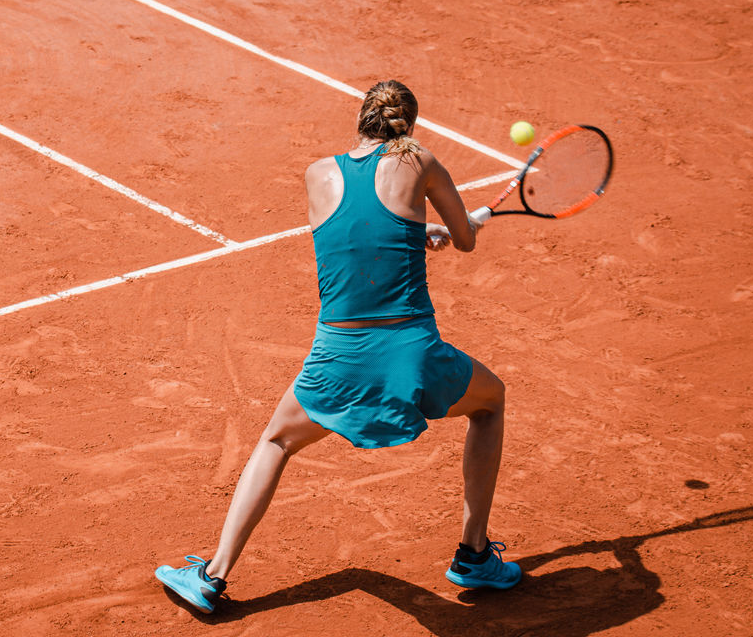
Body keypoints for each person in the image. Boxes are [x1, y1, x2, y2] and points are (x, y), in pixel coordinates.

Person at [155, 80, 521, 614]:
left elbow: (353, 235)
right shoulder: (420, 159)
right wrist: (452, 229)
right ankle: (474, 556)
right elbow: (463, 239)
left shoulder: (317, 174)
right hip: (412, 358)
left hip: (338, 360)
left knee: (277, 443)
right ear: (409, 127)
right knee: (491, 403)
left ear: (361, 121)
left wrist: (418, 233)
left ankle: (211, 575)